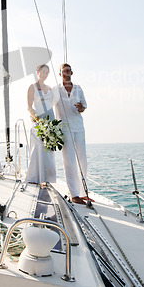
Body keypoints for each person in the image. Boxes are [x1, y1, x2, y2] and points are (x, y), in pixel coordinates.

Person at [54, 63, 88, 204]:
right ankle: (74, 194)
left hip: (78, 127)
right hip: (64, 128)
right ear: (60, 74)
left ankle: (83, 192)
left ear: (71, 73)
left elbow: (84, 106)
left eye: (68, 71)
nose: (66, 73)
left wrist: (81, 108)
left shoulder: (78, 89)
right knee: (69, 161)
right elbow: (46, 103)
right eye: (64, 71)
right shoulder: (56, 90)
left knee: (82, 160)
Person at [25, 64, 56, 185]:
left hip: (50, 119)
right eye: (42, 72)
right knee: (37, 148)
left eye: (47, 73)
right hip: (38, 120)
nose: (44, 74)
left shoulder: (50, 88)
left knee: (48, 149)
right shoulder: (32, 87)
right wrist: (35, 117)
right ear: (37, 72)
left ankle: (47, 178)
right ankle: (34, 177)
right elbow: (28, 106)